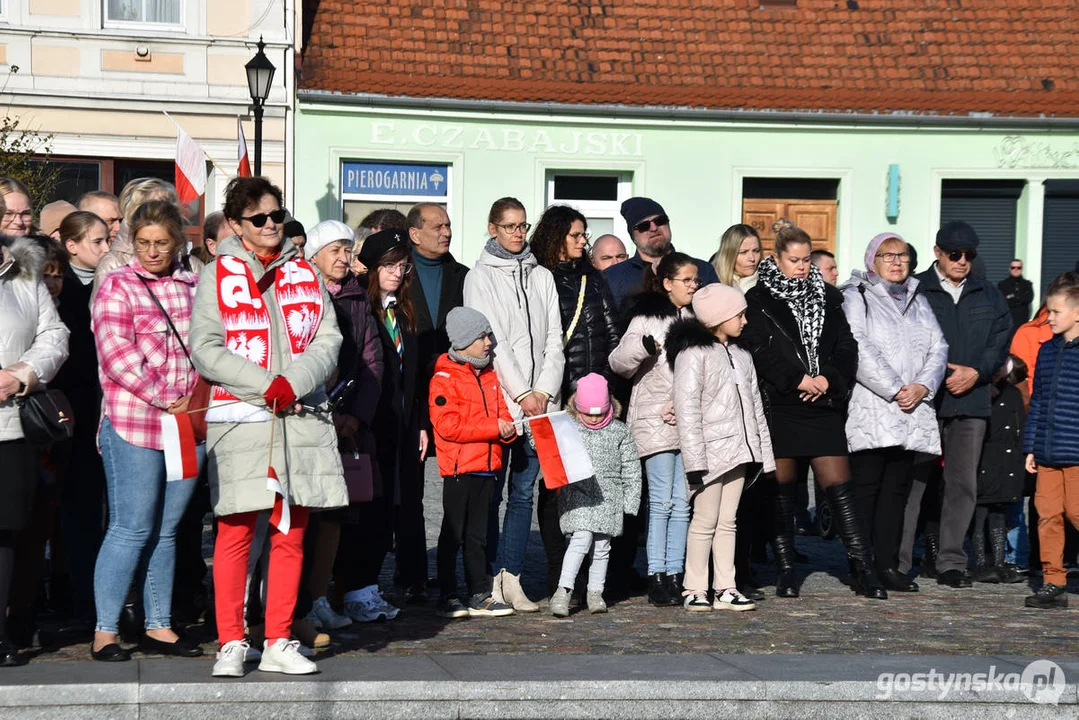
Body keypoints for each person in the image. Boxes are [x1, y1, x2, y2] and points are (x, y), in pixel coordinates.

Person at [190, 176, 347, 678]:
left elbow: (327, 339)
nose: (271, 225)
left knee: (290, 530)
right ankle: (232, 642)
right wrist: (265, 383)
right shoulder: (217, 276)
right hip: (244, 419)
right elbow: (206, 347)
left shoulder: (303, 271)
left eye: (276, 215)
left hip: (298, 417)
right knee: (235, 531)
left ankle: (279, 637)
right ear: (236, 224)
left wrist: (294, 382)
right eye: (259, 218)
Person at [739, 225, 885, 599]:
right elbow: (758, 349)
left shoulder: (829, 297)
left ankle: (861, 567)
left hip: (823, 403)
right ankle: (786, 569)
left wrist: (827, 379)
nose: (802, 267)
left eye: (807, 259)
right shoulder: (758, 299)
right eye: (794, 260)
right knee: (782, 492)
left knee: (839, 486)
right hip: (783, 401)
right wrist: (797, 378)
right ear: (777, 259)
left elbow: (846, 346)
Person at [89, 200, 203, 663]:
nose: (151, 251)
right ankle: (105, 630)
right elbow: (116, 355)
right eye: (143, 243)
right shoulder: (117, 285)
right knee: (131, 527)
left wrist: (192, 396)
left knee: (168, 530)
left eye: (160, 243)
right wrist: (163, 395)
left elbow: (210, 346)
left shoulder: (197, 285)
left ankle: (159, 625)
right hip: (134, 420)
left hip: (187, 419)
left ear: (177, 242)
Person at [464, 197, 563, 613]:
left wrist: (544, 390)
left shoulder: (541, 276)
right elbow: (493, 343)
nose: (518, 234)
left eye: (522, 226)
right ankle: (488, 577)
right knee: (490, 494)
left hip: (541, 404)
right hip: (502, 401)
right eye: (509, 226)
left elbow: (555, 338)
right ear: (493, 229)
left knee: (524, 493)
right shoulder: (480, 277)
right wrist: (523, 392)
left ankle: (513, 576)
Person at [839, 233, 948, 593]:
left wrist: (922, 387)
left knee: (896, 492)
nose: (897, 261)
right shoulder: (857, 296)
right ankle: (861, 566)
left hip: (911, 409)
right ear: (873, 259)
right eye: (888, 255)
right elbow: (856, 344)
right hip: (874, 406)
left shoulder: (917, 299)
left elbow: (938, 345)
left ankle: (887, 565)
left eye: (902, 255)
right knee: (866, 489)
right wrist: (895, 388)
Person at [914, 221, 1012, 588]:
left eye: (969, 255)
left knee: (962, 483)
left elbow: (1000, 342)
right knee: (914, 482)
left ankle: (951, 562)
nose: (962, 261)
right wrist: (938, 374)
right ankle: (899, 558)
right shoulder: (916, 290)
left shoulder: (989, 294)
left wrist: (976, 372)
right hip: (925, 400)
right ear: (938, 252)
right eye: (955, 254)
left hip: (972, 400)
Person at [531, 205, 622, 594]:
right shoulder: (538, 278)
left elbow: (612, 335)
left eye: (584, 234)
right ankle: (557, 571)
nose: (582, 241)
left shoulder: (592, 279)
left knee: (595, 484)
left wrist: (607, 388)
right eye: (575, 235)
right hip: (555, 398)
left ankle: (593, 576)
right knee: (555, 486)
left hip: (594, 399)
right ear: (555, 237)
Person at [666, 284, 774, 612]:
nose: (744, 321)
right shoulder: (692, 355)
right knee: (704, 520)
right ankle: (694, 587)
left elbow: (755, 407)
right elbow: (687, 409)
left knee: (729, 521)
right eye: (738, 315)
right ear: (718, 319)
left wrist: (764, 456)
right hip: (710, 454)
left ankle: (726, 586)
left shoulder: (742, 356)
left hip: (740, 452)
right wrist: (695, 461)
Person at [304, 222, 387, 627]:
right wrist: (327, 411)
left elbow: (373, 361)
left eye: (346, 250)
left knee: (338, 514)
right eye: (334, 250)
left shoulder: (357, 297)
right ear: (314, 254)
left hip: (349, 422)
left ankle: (323, 595)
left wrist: (355, 416)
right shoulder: (300, 291)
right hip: (310, 416)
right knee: (306, 516)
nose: (342, 257)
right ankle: (301, 600)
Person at [609, 252, 698, 607]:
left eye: (696, 280)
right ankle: (656, 574)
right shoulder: (648, 317)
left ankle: (675, 573)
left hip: (687, 419)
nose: (693, 286)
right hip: (653, 420)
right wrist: (642, 347)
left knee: (682, 503)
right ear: (667, 283)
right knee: (660, 501)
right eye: (687, 280)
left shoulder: (696, 318)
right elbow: (618, 361)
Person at [0, 231, 69, 667]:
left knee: (5, 533)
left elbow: (54, 334)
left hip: (9, 424)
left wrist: (22, 374)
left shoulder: (25, 273)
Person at [430, 307, 516, 619]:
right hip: (459, 469)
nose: (488, 342)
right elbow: (448, 427)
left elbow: (501, 412)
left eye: (488, 335)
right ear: (464, 341)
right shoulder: (443, 379)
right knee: (454, 532)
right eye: (482, 336)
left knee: (478, 533)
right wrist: (495, 427)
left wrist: (506, 430)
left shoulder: (489, 374)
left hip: (487, 467)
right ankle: (448, 593)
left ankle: (479, 591)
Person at [359, 229, 430, 606]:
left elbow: (414, 373)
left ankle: (411, 576)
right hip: (373, 421)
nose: (396, 272)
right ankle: (361, 583)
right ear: (373, 267)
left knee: (407, 500)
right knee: (372, 505)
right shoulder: (362, 307)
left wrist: (419, 420)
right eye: (389, 265)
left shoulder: (405, 310)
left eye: (402, 265)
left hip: (404, 421)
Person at [53, 212, 112, 627]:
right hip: (74, 413)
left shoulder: (113, 282)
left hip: (109, 410)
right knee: (79, 513)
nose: (106, 249)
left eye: (109, 239)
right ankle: (80, 603)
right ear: (71, 245)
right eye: (97, 241)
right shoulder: (62, 289)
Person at [548, 373, 641, 617]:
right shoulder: (569, 428)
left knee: (602, 546)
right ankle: (563, 591)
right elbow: (548, 445)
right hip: (578, 495)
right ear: (577, 408)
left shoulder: (620, 432)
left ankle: (595, 592)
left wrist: (631, 502)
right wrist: (533, 430)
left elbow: (631, 468)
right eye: (588, 413)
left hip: (609, 497)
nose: (594, 418)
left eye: (599, 413)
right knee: (580, 541)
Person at [1023, 271, 1079, 609]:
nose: (1049, 318)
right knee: (1047, 514)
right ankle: (1053, 581)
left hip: (1075, 452)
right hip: (1047, 451)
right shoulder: (1047, 351)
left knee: (1075, 512)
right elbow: (1039, 399)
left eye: (1056, 313)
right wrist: (1031, 445)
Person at [405, 203, 468, 430]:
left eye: (448, 226)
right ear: (415, 234)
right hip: (408, 387)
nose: (447, 233)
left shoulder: (463, 275)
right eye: (438, 227)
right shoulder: (397, 274)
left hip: (453, 385)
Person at [603, 196, 719, 308]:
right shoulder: (613, 277)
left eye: (660, 221)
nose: (654, 228)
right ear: (633, 236)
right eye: (643, 226)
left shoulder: (702, 270)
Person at [972, 356, 1027, 585]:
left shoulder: (1011, 393)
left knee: (998, 512)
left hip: (1004, 461)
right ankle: (981, 563)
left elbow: (1018, 431)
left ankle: (997, 561)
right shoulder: (983, 392)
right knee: (979, 513)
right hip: (984, 457)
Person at [93, 178, 184, 304]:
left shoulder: (189, 263)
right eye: (154, 205)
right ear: (133, 211)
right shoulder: (113, 264)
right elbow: (105, 317)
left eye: (168, 205)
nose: (162, 211)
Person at [710, 223, 762, 292]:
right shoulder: (710, 285)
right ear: (728, 255)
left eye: (756, 251)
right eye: (743, 252)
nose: (752, 258)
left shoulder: (769, 286)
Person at [998, 259, 1035, 329]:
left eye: (1018, 268)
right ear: (1009, 269)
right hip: (1007, 321)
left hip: (1022, 321)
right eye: (1013, 267)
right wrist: (1019, 298)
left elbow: (1029, 298)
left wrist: (1013, 296)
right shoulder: (1002, 285)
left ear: (1022, 269)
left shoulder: (1027, 284)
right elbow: (1001, 301)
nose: (1016, 270)